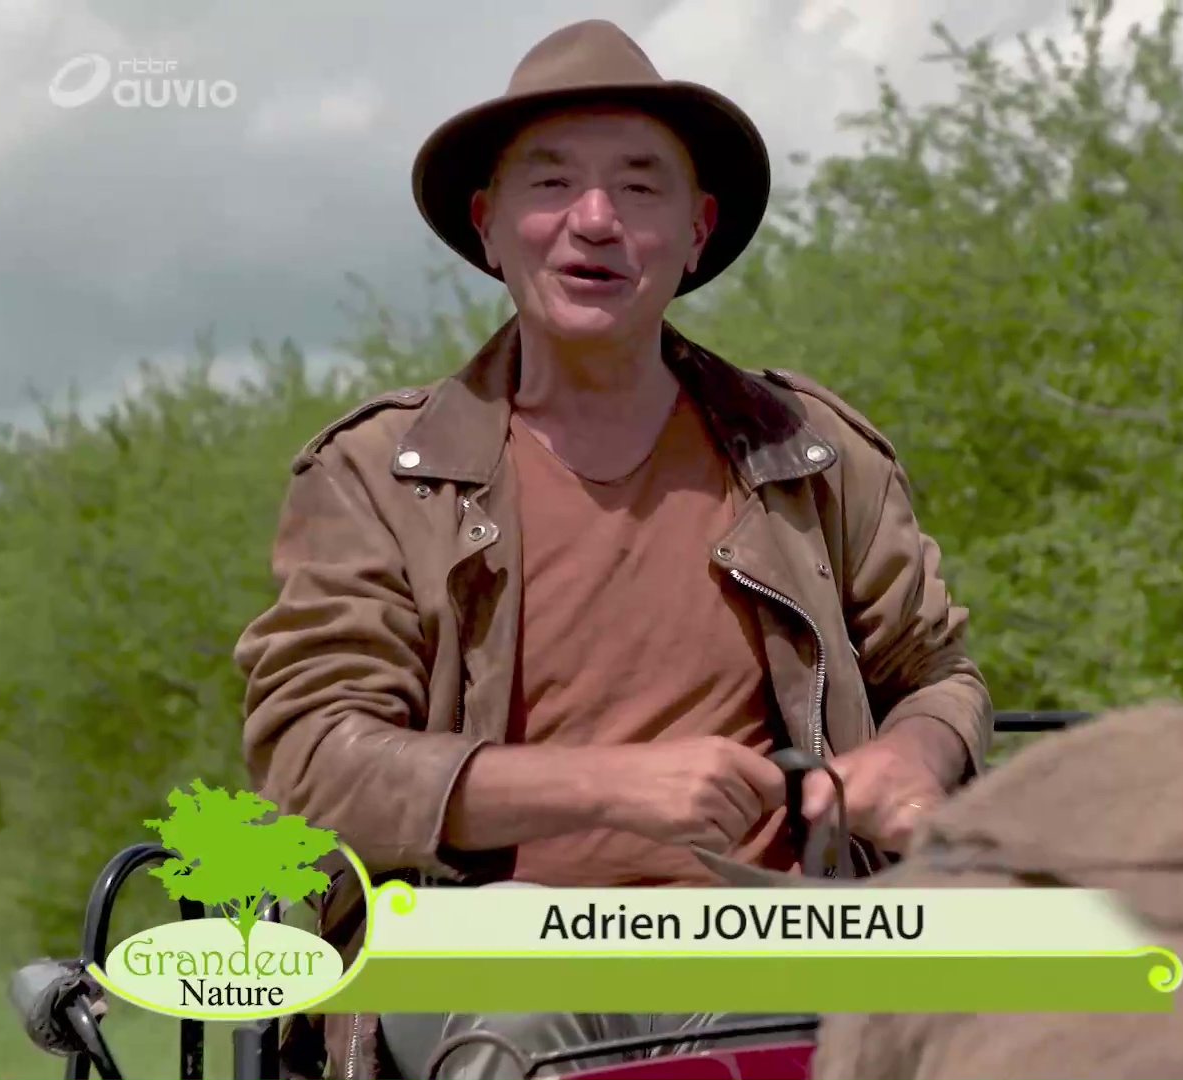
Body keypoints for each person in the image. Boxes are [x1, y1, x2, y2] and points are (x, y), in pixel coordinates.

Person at [231, 18, 992, 1080]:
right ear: (490, 227)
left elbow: (939, 676)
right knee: (536, 1024)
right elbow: (312, 763)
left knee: (1083, 959)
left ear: (696, 231)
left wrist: (910, 759)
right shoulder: (380, 474)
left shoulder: (809, 451)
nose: (595, 222)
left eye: (641, 189)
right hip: (497, 946)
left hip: (794, 934)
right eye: (552, 186)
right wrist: (609, 788)